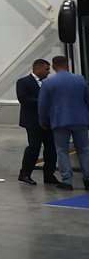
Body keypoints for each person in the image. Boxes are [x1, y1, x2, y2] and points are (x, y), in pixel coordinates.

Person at [38, 55, 89, 190]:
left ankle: (67, 181)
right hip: (80, 120)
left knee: (62, 151)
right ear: (67, 65)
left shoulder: (48, 83)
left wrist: (43, 121)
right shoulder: (80, 79)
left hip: (60, 120)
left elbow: (43, 105)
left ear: (54, 66)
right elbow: (87, 99)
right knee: (84, 150)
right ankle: (87, 179)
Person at [17, 59, 57, 185]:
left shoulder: (48, 83)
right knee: (34, 147)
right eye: (46, 69)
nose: (48, 72)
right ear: (38, 69)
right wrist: (42, 102)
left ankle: (49, 174)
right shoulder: (24, 82)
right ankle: (25, 173)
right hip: (32, 121)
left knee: (51, 148)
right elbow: (23, 98)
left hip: (48, 121)